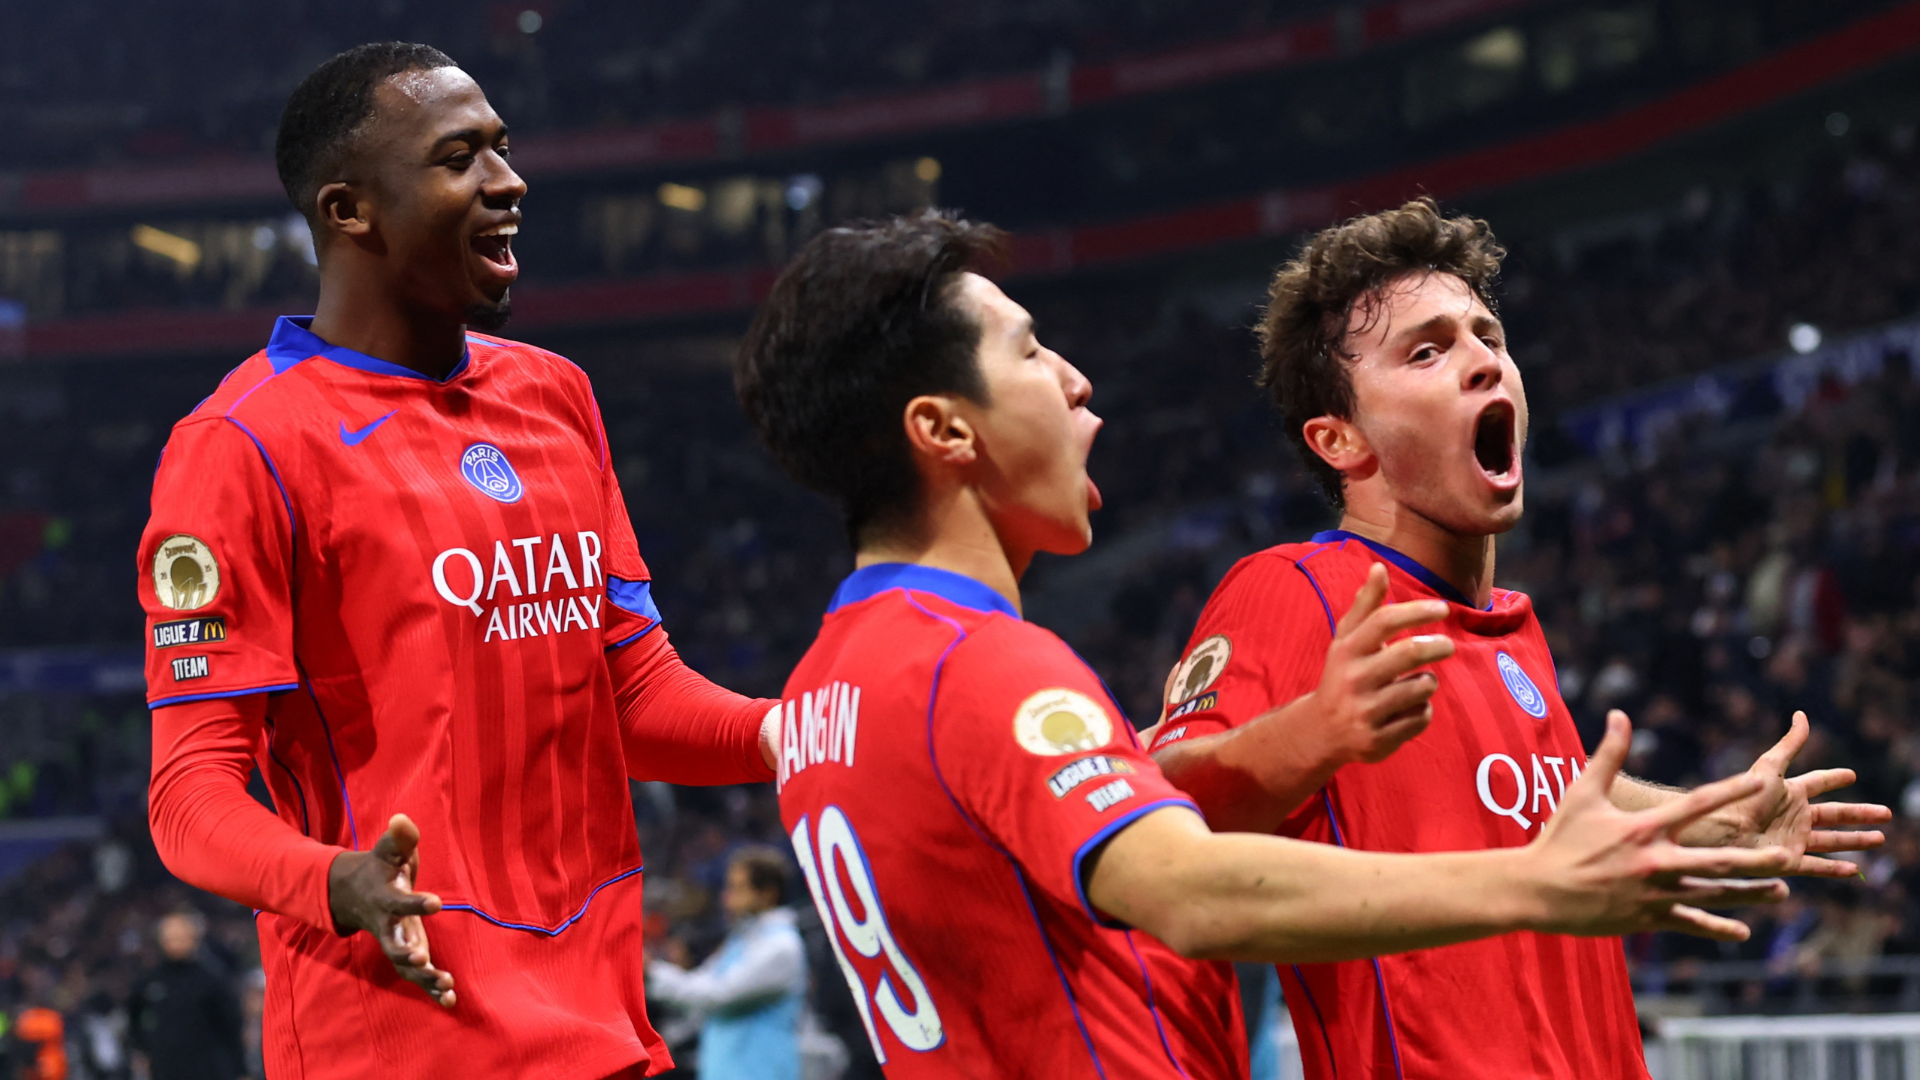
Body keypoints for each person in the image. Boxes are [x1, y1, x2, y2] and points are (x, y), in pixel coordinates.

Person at [735, 212, 1794, 1077]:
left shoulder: (831, 685)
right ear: (945, 428)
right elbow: (1182, 865)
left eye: (1489, 337)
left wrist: (1700, 818)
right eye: (1029, 351)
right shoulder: (1021, 654)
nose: (1075, 383)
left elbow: (1505, 796)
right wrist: (1515, 869)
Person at [139, 43, 780, 1080]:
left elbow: (635, 696)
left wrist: (801, 735)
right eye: (459, 157)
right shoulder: (240, 445)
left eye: (504, 148)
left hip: (607, 1021)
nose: (509, 180)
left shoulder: (556, 395)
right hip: (399, 1032)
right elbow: (189, 797)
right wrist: (337, 881)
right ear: (351, 211)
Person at [1146, 196, 1896, 1078]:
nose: (1482, 364)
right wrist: (1311, 732)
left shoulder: (1511, 630)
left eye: (1487, 336)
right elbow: (1159, 820)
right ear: (1339, 439)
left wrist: (1711, 817)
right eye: (1427, 350)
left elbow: (1522, 807)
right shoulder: (1295, 590)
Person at [647, 847, 808, 1080]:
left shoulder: (781, 947)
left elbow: (717, 995)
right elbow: (699, 982)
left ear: (768, 893)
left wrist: (652, 973)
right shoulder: (742, 939)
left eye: (738, 888)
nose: (727, 896)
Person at [128, 911, 243, 1080]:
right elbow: (133, 1017)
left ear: (194, 938)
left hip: (208, 1072)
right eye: (170, 938)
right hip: (165, 1071)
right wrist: (143, 1048)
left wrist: (239, 1070)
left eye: (180, 937)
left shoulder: (211, 980)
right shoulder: (149, 982)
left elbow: (231, 1028)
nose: (175, 943)